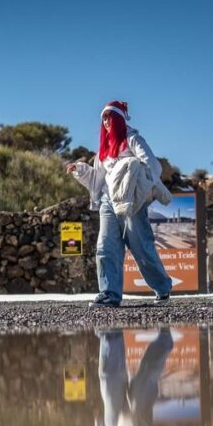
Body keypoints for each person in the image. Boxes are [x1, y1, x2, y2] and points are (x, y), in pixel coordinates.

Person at [66, 101, 173, 308]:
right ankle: (109, 294)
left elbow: (153, 167)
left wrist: (137, 189)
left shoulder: (133, 140)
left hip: (131, 202)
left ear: (118, 119)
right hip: (108, 202)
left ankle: (162, 287)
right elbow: (98, 179)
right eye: (103, 118)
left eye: (109, 117)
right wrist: (79, 169)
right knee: (105, 246)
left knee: (141, 247)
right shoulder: (103, 151)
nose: (106, 121)